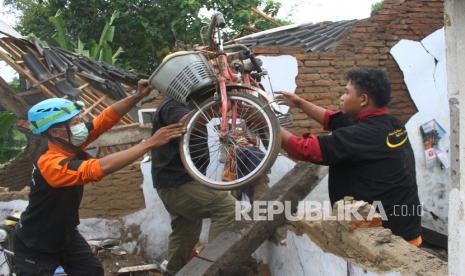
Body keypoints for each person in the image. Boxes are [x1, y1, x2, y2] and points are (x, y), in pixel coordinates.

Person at [13, 80, 185, 276]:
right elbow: (97, 169)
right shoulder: (50, 163)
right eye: (74, 122)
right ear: (55, 132)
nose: (80, 125)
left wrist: (137, 96)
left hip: (66, 235)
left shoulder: (68, 143)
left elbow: (105, 119)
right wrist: (149, 144)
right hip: (36, 244)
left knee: (92, 271)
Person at [277, 67, 422, 246]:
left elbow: (302, 149)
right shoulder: (391, 123)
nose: (342, 97)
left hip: (385, 238)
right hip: (407, 227)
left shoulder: (360, 135)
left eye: (346, 92)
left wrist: (267, 121)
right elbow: (331, 119)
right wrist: (299, 102)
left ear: (363, 100)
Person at [151, 98, 236, 275]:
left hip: (174, 183)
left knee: (185, 231)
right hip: (179, 183)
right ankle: (212, 269)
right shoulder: (173, 105)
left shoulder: (187, 106)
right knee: (228, 208)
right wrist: (214, 109)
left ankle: (173, 272)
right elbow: (187, 123)